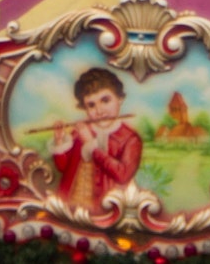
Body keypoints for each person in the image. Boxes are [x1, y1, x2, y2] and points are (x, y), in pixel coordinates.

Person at [50, 68, 143, 208]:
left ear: (120, 99)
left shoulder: (130, 139)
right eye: (91, 105)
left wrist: (91, 145)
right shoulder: (80, 132)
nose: (99, 111)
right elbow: (63, 167)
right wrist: (59, 142)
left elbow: (122, 175)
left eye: (105, 100)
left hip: (107, 207)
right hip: (72, 202)